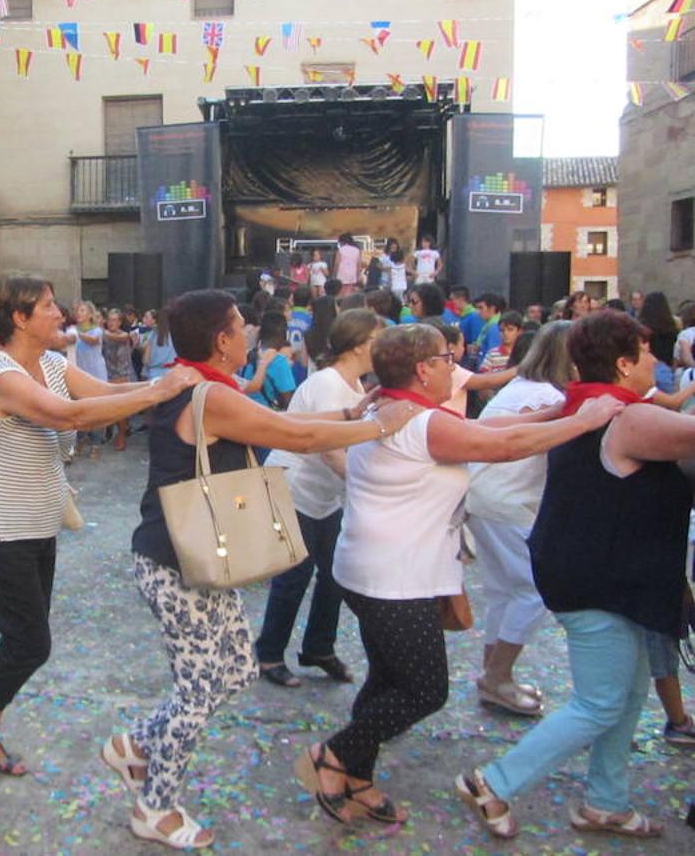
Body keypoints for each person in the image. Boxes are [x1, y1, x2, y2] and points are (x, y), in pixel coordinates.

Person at [102, 290, 419, 849]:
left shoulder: (208, 387)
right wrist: (377, 427)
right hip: (176, 560)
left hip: (201, 560)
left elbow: (278, 419)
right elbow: (293, 435)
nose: (248, 332)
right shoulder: (207, 394)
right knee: (199, 690)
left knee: (236, 670)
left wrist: (351, 413)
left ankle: (137, 745)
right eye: (240, 325)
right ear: (222, 340)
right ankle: (154, 806)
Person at [296, 323, 621, 827]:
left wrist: (563, 411)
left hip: (374, 570)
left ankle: (355, 776)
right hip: (392, 579)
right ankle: (333, 755)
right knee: (426, 690)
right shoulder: (419, 423)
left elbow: (489, 432)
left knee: (387, 680)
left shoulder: (402, 410)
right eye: (448, 358)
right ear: (423, 369)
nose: (456, 366)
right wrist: (587, 420)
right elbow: (508, 445)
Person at [0, 274, 202, 787]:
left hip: (38, 521)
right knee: (29, 645)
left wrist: (171, 384)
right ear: (19, 318)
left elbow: (106, 393)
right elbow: (72, 416)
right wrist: (161, 388)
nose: (61, 314)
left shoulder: (53, 364)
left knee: (19, 640)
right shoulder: (1, 375)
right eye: (49, 306)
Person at [456, 309, 695, 839]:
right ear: (624, 363)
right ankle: (491, 781)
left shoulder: (586, 404)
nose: (656, 361)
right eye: (647, 352)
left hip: (612, 576)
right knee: (601, 701)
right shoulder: (626, 417)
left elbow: (492, 425)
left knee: (627, 695)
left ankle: (605, 802)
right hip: (596, 579)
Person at [257, 308, 383, 689]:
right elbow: (329, 450)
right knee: (294, 575)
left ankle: (318, 647)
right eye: (379, 340)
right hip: (296, 486)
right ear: (360, 345)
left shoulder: (356, 385)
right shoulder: (329, 383)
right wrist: (367, 488)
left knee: (334, 574)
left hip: (324, 494)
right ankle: (268, 655)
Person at [465, 321, 573, 716]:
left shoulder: (524, 387)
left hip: (489, 497)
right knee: (531, 588)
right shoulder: (546, 396)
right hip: (505, 501)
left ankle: (493, 675)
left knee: (504, 590)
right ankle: (497, 675)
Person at [67, 301, 107, 456]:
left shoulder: (97, 331)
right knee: (80, 408)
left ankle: (96, 442)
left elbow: (93, 341)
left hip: (96, 374)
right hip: (79, 374)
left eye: (82, 310)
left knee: (96, 409)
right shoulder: (72, 330)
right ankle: (81, 438)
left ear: (90, 314)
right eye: (77, 310)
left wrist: (77, 334)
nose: (78, 313)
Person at [103, 308, 138, 450]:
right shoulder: (104, 335)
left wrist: (101, 332)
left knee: (120, 410)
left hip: (122, 375)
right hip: (107, 374)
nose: (112, 322)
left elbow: (118, 338)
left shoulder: (123, 336)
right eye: (109, 319)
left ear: (120, 322)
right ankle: (122, 429)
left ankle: (122, 435)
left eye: (115, 320)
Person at [142, 308, 176, 381]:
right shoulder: (177, 335)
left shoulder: (153, 334)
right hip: (172, 374)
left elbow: (146, 360)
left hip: (153, 375)